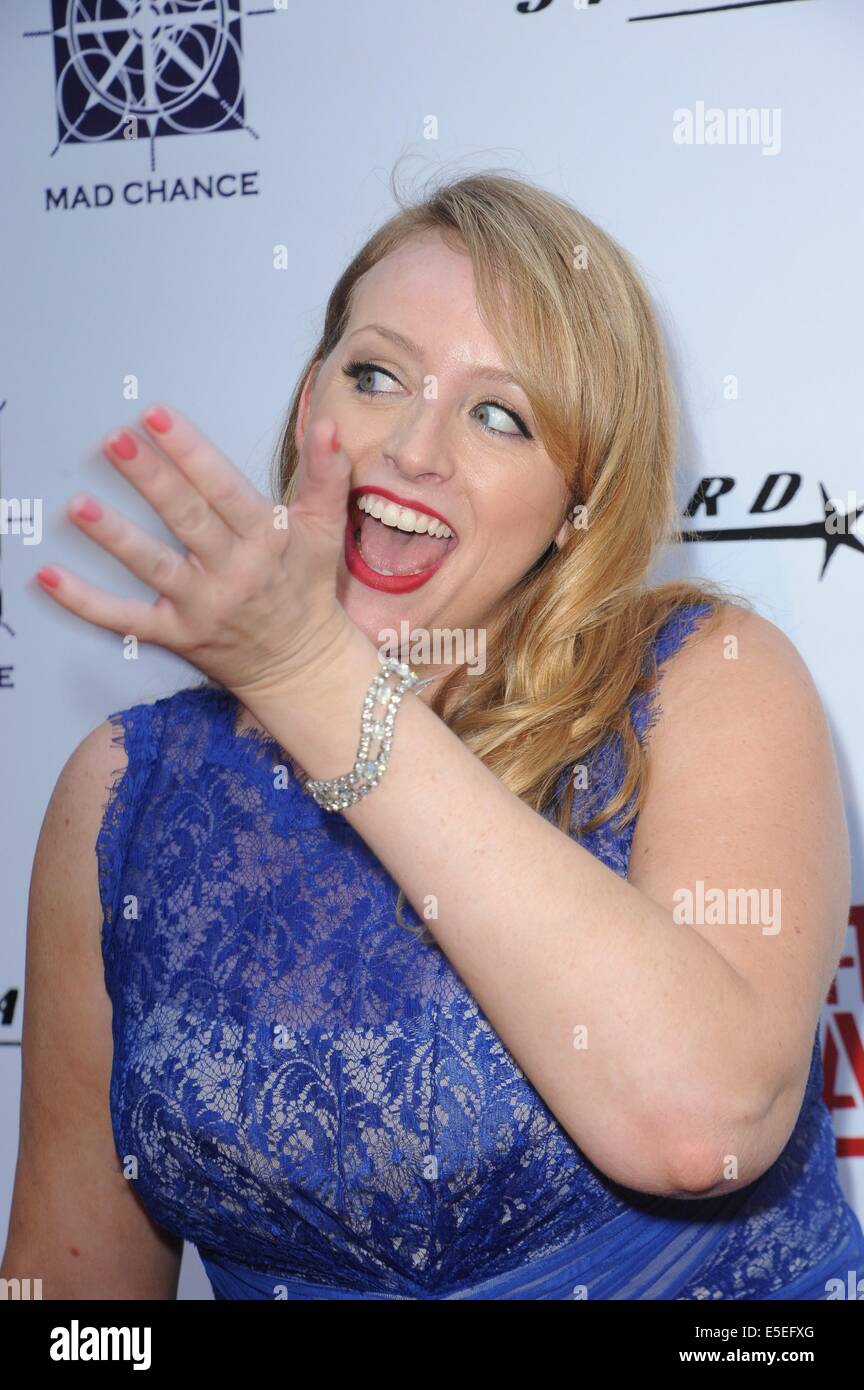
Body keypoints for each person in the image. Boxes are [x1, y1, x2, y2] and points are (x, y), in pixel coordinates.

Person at [4, 170, 863, 1300]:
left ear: (579, 501)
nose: (414, 448)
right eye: (374, 375)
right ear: (311, 398)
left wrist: (319, 680)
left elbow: (700, 1123)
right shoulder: (127, 791)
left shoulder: (705, 681)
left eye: (497, 413)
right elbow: (74, 1304)